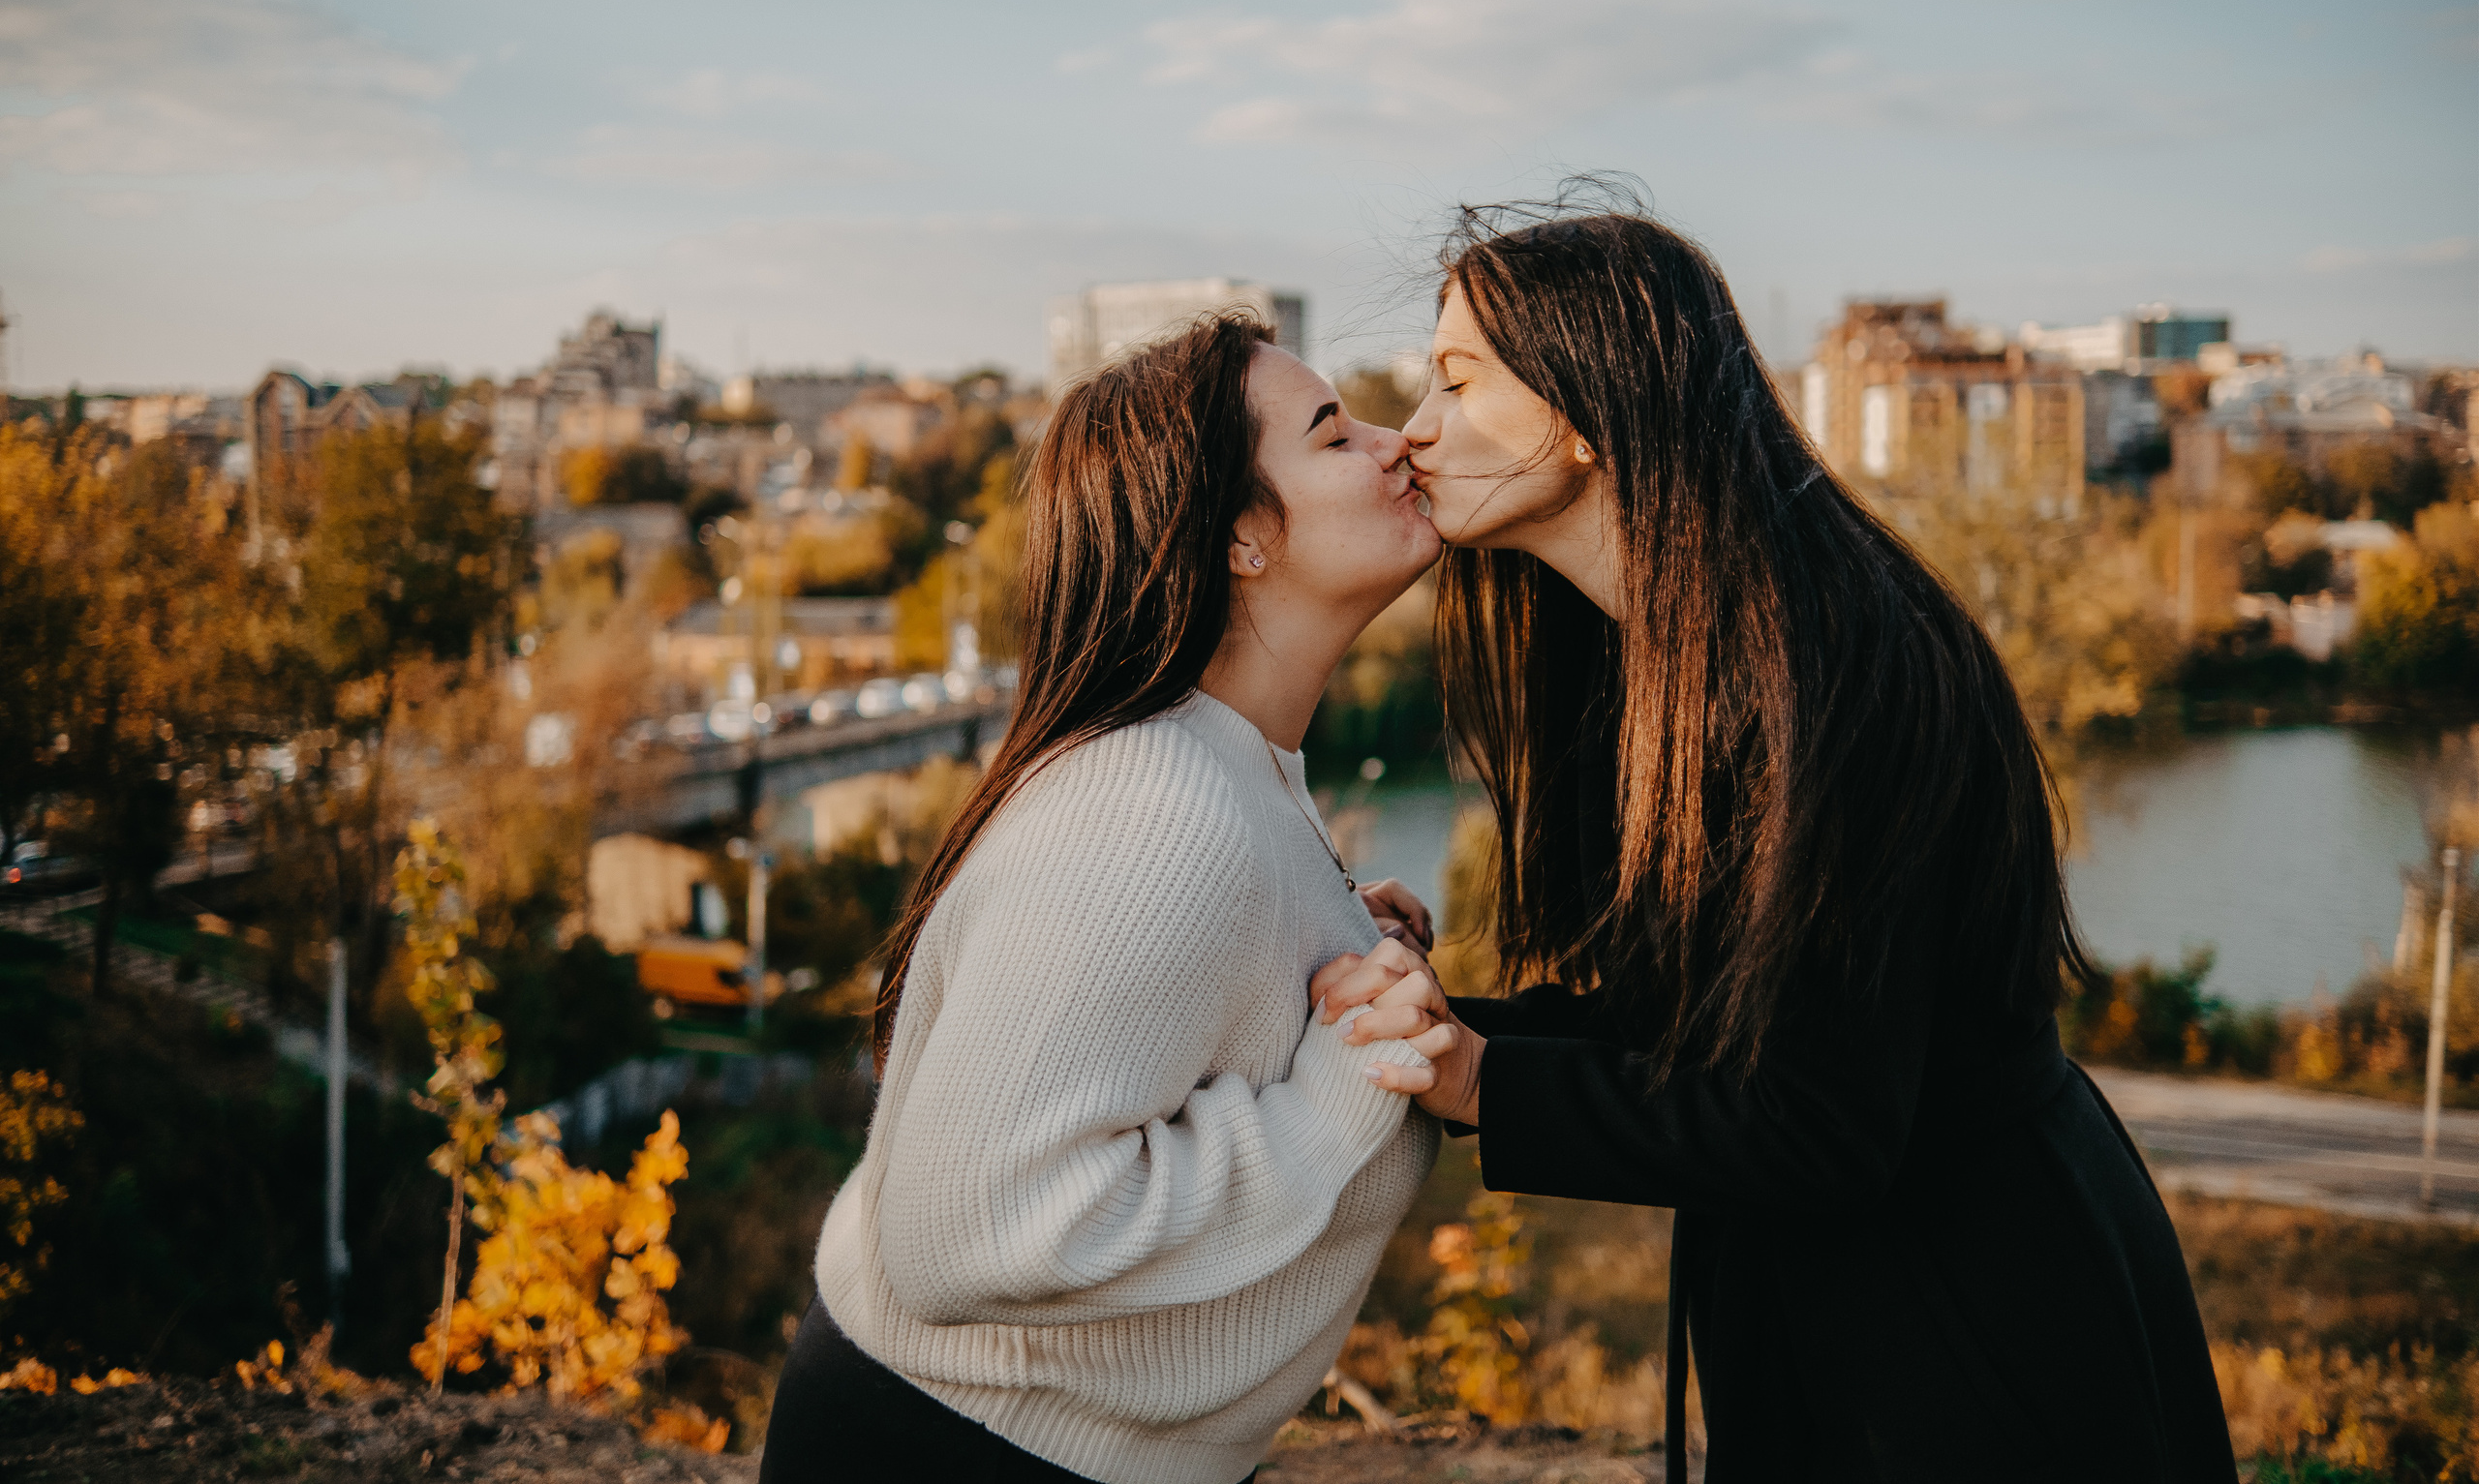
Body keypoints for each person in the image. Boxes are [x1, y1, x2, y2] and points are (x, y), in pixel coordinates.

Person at [1317, 188, 2238, 1482]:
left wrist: (1481, 1077)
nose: (1417, 432)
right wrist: (1450, 1028)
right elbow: (1694, 1024)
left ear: (1587, 412)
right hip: (1853, 1314)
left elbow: (1817, 1118)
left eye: (1459, 383)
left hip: (1970, 1333)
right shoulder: (1666, 658)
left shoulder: (1822, 669)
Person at [761, 311, 1444, 1484]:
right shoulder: (1154, 812)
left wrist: (1324, 965)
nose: (1398, 443)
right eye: (1335, 434)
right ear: (1239, 536)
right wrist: (1336, 1093)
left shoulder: (1229, 774)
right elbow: (963, 1232)